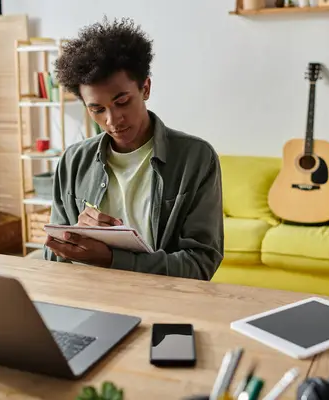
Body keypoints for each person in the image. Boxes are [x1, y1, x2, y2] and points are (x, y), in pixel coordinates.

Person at [44, 17, 223, 280]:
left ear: (145, 88)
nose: (112, 120)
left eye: (122, 101)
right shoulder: (74, 161)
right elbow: (52, 258)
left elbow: (201, 264)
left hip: (162, 302)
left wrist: (112, 259)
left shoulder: (195, 158)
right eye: (97, 109)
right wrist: (74, 240)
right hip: (87, 298)